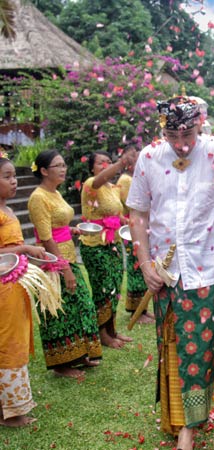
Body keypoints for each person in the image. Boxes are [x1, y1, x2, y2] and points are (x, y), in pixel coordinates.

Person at [126, 95, 214, 450]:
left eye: (188, 135)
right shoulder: (149, 157)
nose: (180, 145)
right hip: (165, 272)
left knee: (201, 346)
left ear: (201, 124)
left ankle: (188, 428)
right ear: (161, 130)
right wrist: (145, 262)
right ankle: (176, 417)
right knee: (170, 343)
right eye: (172, 136)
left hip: (205, 270)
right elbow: (138, 214)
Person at [28, 150, 102, 378]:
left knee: (82, 305)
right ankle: (62, 363)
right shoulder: (37, 197)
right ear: (43, 171)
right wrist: (65, 269)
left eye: (63, 165)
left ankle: (81, 354)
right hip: (53, 263)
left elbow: (56, 226)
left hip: (68, 255)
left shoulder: (55, 193)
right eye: (57, 166)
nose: (63, 169)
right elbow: (46, 237)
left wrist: (70, 230)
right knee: (60, 311)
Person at [0, 156, 45, 426]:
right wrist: (25, 249)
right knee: (8, 343)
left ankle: (11, 405)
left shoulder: (8, 209)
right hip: (3, 289)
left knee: (16, 339)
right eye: (7, 176)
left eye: (14, 175)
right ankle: (10, 412)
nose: (14, 181)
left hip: (14, 285)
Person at [80, 149, 136, 349]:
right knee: (102, 288)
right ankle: (102, 333)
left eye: (108, 161)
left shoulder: (113, 187)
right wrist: (121, 163)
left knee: (114, 286)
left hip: (112, 244)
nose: (105, 165)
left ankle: (111, 330)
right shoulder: (90, 184)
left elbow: (117, 213)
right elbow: (99, 180)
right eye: (100, 163)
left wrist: (129, 223)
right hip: (95, 246)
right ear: (92, 167)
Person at [116, 146, 154, 324]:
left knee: (141, 270)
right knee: (136, 269)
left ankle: (142, 310)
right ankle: (135, 311)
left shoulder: (135, 178)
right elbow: (133, 207)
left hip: (142, 229)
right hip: (131, 231)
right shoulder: (125, 180)